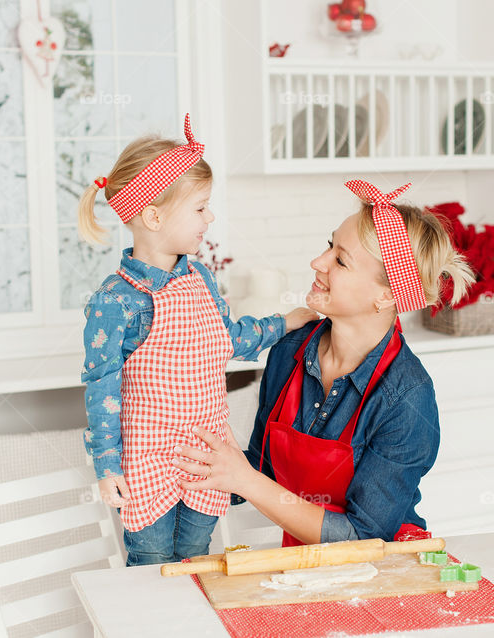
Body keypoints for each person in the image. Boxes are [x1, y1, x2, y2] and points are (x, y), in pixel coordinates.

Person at [172, 180, 475, 546]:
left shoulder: (406, 397)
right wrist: (190, 453)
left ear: (385, 295)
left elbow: (363, 538)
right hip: (305, 563)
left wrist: (244, 480)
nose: (318, 262)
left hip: (386, 573)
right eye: (329, 246)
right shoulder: (290, 351)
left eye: (341, 260)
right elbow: (262, 469)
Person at [78, 114, 317, 564]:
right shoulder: (116, 300)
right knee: (151, 565)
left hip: (207, 455)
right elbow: (103, 388)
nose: (211, 216)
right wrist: (107, 465)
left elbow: (226, 338)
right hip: (148, 462)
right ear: (153, 215)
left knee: (196, 558)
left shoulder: (201, 278)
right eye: (201, 207)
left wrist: (283, 324)